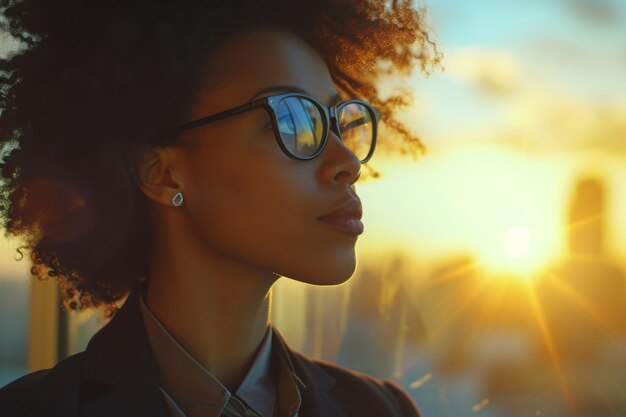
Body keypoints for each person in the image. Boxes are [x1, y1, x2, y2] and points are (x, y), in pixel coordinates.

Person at [0, 0, 440, 415]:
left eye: (339, 124)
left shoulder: (380, 409)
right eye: (294, 120)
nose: (347, 162)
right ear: (162, 172)